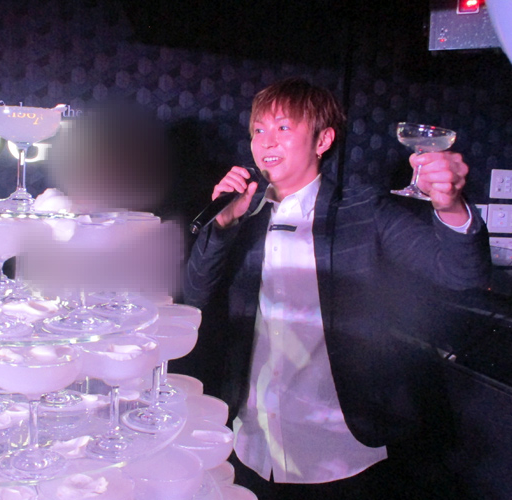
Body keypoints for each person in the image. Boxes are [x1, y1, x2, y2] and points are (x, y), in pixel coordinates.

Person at [183, 77, 491, 499]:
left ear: (323, 140)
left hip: (340, 447)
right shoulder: (244, 217)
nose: (266, 141)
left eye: (283, 128)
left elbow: (463, 275)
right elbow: (196, 295)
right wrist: (221, 223)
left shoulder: (364, 211)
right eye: (258, 129)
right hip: (252, 441)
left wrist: (451, 205)